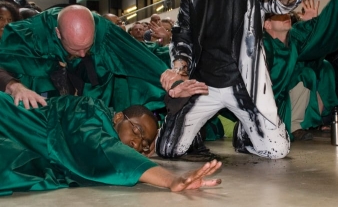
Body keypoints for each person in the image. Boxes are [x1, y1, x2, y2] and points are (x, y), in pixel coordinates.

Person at [156, 0, 317, 159]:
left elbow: (275, 1)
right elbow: (183, 34)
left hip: (244, 86)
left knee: (277, 151)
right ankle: (192, 131)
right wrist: (180, 71)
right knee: (168, 150)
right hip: (202, 85)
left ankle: (245, 133)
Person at [0, 92, 221, 195]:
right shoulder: (87, 110)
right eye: (137, 131)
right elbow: (100, 146)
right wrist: (171, 179)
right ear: (117, 118)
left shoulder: (105, 126)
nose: (137, 144)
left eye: (144, 143)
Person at [0, 5, 175, 112]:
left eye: (87, 46)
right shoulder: (29, 36)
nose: (83, 54)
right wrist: (14, 86)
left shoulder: (104, 32)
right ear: (58, 33)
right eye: (75, 48)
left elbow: (141, 59)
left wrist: (175, 83)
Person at [263, 0, 338, 140]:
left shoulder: (295, 38)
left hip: (285, 102)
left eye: (287, 13)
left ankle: (297, 125)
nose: (286, 16)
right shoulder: (262, 45)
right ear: (267, 25)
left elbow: (322, 28)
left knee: (307, 74)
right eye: (278, 15)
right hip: (263, 105)